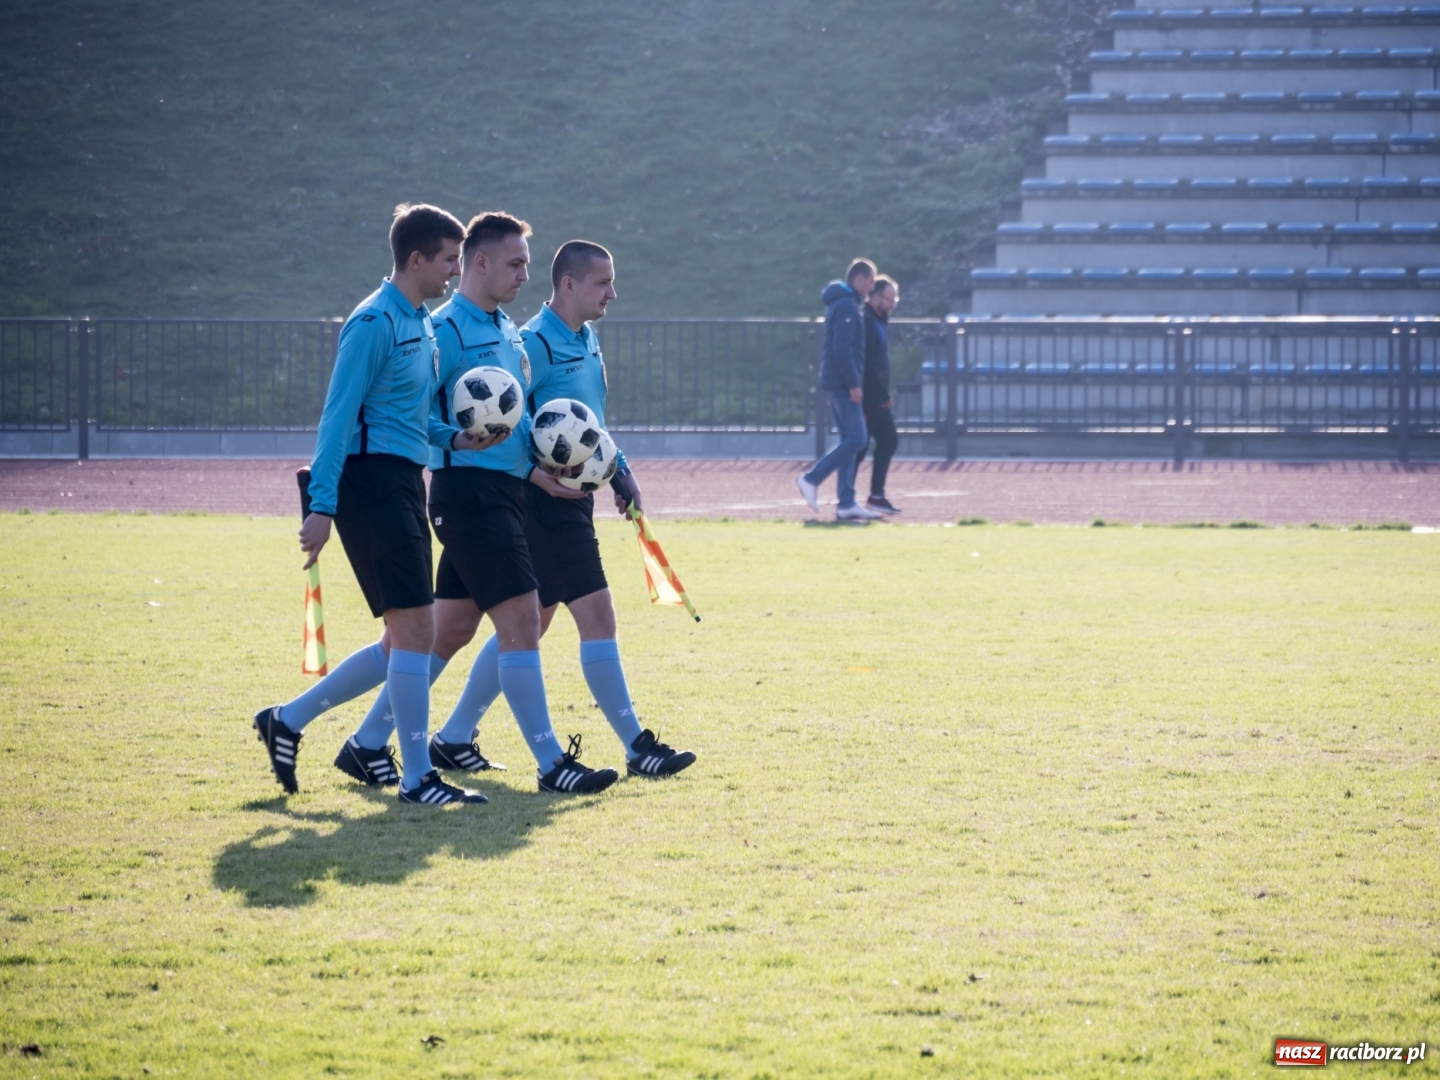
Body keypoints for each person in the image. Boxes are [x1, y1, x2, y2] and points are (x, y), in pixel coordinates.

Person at [333, 212, 619, 796]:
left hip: (505, 493)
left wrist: (542, 470)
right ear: (479, 262)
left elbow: (517, 427)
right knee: (521, 620)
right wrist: (457, 439)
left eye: (527, 265)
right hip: (468, 495)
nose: (523, 276)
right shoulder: (441, 329)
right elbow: (416, 413)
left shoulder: (509, 330)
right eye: (515, 264)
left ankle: (363, 742)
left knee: (451, 630)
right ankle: (550, 764)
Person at [251, 203, 486, 807]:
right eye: (448, 262)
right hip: (369, 485)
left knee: (400, 640)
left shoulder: (423, 323)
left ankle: (288, 720)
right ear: (415, 260)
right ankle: (416, 778)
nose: (454, 275)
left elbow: (417, 419)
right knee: (416, 631)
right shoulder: (373, 321)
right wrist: (321, 506)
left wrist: (457, 437)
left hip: (406, 480)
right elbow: (337, 417)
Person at [437, 240, 697, 781]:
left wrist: (619, 472)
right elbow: (510, 425)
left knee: (529, 624)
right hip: (542, 503)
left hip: (575, 500)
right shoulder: (531, 342)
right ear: (570, 284)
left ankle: (455, 734)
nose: (613, 293)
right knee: (592, 617)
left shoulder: (588, 338)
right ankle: (637, 746)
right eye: (603, 283)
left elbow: (591, 422)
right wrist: (539, 479)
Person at [795, 258, 879, 521]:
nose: (872, 287)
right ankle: (811, 478)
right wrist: (854, 384)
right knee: (857, 439)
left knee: (849, 441)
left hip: (836, 382)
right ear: (859, 279)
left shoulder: (843, 304)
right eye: (871, 281)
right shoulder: (847, 306)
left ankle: (846, 503)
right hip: (842, 384)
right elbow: (841, 350)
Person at [855, 275, 901, 515]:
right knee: (860, 446)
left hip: (876, 396)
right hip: (870, 397)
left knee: (886, 441)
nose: (892, 304)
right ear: (874, 295)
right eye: (888, 299)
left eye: (895, 299)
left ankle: (875, 495)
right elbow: (869, 365)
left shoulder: (879, 320)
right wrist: (883, 395)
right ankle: (850, 497)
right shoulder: (868, 321)